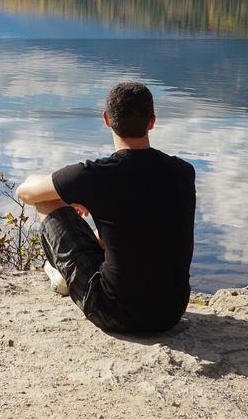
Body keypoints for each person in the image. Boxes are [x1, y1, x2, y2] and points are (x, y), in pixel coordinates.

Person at [16, 81, 196, 334]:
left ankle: (64, 275)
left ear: (106, 120)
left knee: (47, 200)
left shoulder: (95, 175)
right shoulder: (183, 172)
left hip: (115, 313)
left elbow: (25, 192)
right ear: (152, 122)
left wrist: (67, 196)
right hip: (171, 312)